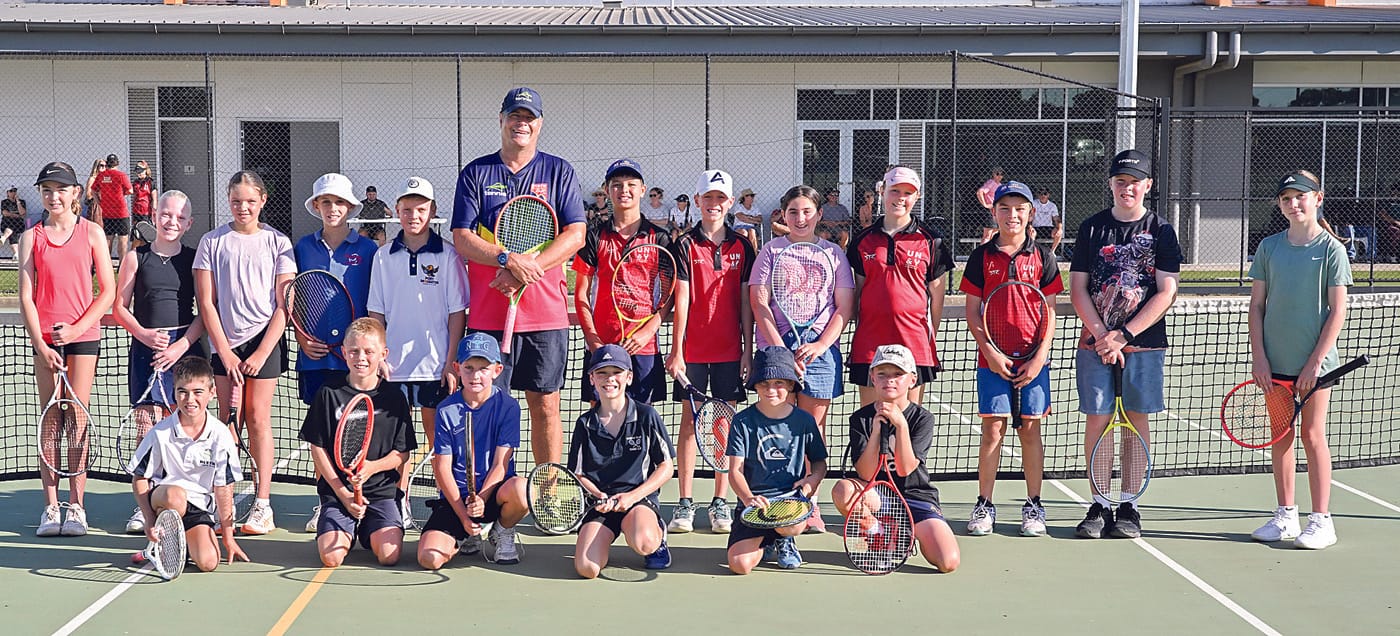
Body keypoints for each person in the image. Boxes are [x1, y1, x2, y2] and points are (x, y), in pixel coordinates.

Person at [450, 87, 587, 466]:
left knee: (545, 405)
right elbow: (462, 238)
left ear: (539, 124)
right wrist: (507, 259)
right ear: (501, 119)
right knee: (491, 407)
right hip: (488, 316)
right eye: (514, 116)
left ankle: (547, 486)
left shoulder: (559, 171)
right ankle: (499, 493)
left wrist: (526, 272)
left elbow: (575, 235)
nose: (521, 124)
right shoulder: (477, 172)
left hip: (546, 316)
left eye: (528, 117)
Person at [1069, 149, 1182, 540]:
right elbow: (1078, 288)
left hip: (1143, 346)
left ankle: (1130, 504)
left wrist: (1125, 334)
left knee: (1136, 422)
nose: (1126, 188)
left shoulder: (1163, 231)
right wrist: (1102, 335)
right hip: (1094, 345)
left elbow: (1166, 291)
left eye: (1134, 182)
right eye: (1120, 181)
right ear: (1111, 185)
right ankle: (1099, 503)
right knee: (1098, 422)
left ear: (1147, 186)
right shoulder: (1092, 228)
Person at [1247, 170, 1352, 550]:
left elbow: (1337, 311)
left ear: (1317, 198)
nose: (1293, 204)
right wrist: (1260, 358)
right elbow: (1256, 306)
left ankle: (1322, 521)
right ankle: (1285, 516)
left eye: (1300, 196)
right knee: (1281, 435)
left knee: (1311, 435)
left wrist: (1313, 364)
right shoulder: (1269, 248)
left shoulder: (1331, 250)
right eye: (1286, 198)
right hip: (1273, 365)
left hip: (1316, 368)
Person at [193, 170, 297, 535]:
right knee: (225, 422)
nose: (243, 207)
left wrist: (260, 353)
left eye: (250, 201)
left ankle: (262, 504)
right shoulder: (212, 241)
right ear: (228, 201)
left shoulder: (279, 243)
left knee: (256, 417)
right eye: (237, 201)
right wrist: (226, 352)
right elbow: (206, 303)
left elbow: (285, 305)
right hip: (225, 344)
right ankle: (226, 497)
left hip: (264, 343)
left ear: (262, 201)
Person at [959, 181, 1063, 538]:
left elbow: (1050, 313)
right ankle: (984, 504)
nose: (1012, 215)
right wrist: (989, 349)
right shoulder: (981, 257)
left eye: (1020, 208)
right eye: (1005, 208)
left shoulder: (1044, 258)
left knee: (1029, 430)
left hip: (1034, 360)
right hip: (993, 360)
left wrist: (1039, 358)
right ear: (994, 213)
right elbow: (973, 311)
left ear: (1031, 213)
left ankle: (1034, 504)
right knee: (992, 430)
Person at [19, 161, 116, 537]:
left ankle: (76, 506)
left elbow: (106, 291)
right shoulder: (32, 237)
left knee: (76, 418)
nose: (53, 195)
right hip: (45, 341)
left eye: (61, 189)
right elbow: (27, 296)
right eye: (46, 189)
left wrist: (76, 327)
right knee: (50, 420)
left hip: (83, 337)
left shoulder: (92, 233)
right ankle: (50, 507)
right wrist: (39, 344)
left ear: (76, 192)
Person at [750, 184, 854, 533]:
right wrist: (779, 351)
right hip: (776, 347)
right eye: (793, 212)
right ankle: (780, 500)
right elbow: (759, 303)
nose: (800, 218)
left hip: (819, 351)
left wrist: (821, 344)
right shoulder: (770, 252)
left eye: (807, 211)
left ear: (818, 215)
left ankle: (810, 505)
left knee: (812, 431)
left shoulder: (834, 255)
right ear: (783, 215)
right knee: (778, 430)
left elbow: (844, 307)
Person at [368, 176, 468, 523]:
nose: (414, 215)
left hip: (436, 366)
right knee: (398, 443)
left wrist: (452, 361)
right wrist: (380, 357)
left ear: (433, 212)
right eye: (407, 209)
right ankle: (400, 501)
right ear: (396, 212)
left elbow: (458, 312)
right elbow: (376, 313)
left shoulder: (449, 255)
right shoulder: (383, 257)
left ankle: (447, 501)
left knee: (439, 441)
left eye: (421, 209)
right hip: (394, 368)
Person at [111, 189, 208, 534]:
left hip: (182, 354)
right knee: (146, 427)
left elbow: (203, 313)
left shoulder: (195, 260)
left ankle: (180, 498)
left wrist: (181, 346)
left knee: (179, 428)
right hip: (145, 351)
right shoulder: (136, 258)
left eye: (180, 218)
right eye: (166, 215)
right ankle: (146, 503)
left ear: (189, 224)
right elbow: (119, 308)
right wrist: (145, 336)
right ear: (154, 216)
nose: (172, 222)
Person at [665, 169, 754, 535]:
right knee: (690, 424)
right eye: (708, 198)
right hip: (694, 350)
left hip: (731, 350)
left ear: (730, 203)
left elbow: (747, 302)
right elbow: (681, 299)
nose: (714, 204)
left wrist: (747, 349)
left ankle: (720, 501)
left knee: (724, 425)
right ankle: (685, 502)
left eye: (720, 198)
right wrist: (677, 350)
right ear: (697, 201)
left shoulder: (743, 246)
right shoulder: (684, 245)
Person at [294, 173, 379, 531]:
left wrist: (370, 349)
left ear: (350, 208)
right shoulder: (301, 247)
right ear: (316, 207)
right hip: (314, 357)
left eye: (339, 203)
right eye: (325, 202)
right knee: (323, 432)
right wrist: (300, 338)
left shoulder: (369, 250)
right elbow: (292, 299)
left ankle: (365, 501)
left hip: (354, 361)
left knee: (358, 430)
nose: (332, 209)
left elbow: (377, 305)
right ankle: (327, 500)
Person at [299, 318, 417, 567]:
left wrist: (372, 468)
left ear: (383, 354)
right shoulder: (329, 393)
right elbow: (317, 447)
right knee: (331, 558)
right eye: (353, 351)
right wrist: (343, 495)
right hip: (338, 494)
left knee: (389, 555)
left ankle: (367, 529)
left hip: (382, 493)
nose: (360, 357)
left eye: (369, 352)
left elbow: (402, 453)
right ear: (344, 352)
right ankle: (345, 527)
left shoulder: (394, 397)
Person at [831, 344, 959, 571]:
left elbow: (905, 469)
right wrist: (877, 431)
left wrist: (900, 425)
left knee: (947, 562)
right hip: (879, 495)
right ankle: (879, 533)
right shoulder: (861, 419)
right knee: (843, 490)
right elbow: (867, 474)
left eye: (898, 374)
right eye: (882, 374)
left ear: (911, 379)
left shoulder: (922, 419)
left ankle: (905, 533)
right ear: (872, 377)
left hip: (915, 496)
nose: (890, 380)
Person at [418, 333, 530, 569]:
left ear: (497, 370)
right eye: (468, 367)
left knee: (521, 489)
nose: (475, 375)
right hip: (457, 499)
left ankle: (502, 530)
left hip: (493, 494)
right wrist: (462, 514)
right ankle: (466, 535)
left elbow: (501, 464)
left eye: (483, 368)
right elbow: (442, 468)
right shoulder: (446, 410)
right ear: (457, 368)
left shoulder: (509, 407)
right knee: (429, 559)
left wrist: (481, 499)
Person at [127, 357, 250, 572]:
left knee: (208, 562)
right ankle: (164, 536)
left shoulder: (221, 435)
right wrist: (148, 519)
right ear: (174, 392)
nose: (189, 399)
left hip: (199, 507)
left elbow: (223, 489)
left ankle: (178, 540)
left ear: (212, 393)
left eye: (197, 392)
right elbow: (139, 478)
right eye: (182, 391)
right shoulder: (160, 432)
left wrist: (228, 538)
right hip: (165, 499)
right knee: (176, 496)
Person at [847, 166, 955, 408]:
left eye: (908, 193)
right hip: (869, 342)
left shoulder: (931, 241)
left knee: (909, 424)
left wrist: (930, 336)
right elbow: (858, 292)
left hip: (914, 342)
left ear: (916, 197)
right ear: (883, 192)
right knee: (869, 421)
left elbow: (936, 298)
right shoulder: (862, 241)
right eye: (895, 191)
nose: (900, 199)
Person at [569, 345, 676, 578]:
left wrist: (631, 497)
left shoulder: (647, 415)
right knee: (587, 569)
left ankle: (656, 538)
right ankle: (601, 537)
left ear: (629, 377)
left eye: (616, 372)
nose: (609, 379)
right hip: (601, 503)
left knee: (644, 542)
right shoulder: (584, 423)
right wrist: (599, 496)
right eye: (602, 373)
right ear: (592, 379)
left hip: (638, 500)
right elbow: (578, 474)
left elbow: (666, 467)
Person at [572, 159, 672, 405]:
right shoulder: (594, 236)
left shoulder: (660, 237)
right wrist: (592, 338)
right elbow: (581, 294)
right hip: (602, 343)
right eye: (616, 185)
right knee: (601, 420)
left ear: (642, 189)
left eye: (630, 184)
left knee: (641, 422)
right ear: (607, 190)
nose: (623, 190)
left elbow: (670, 294)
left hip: (643, 346)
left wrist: (649, 330)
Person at [725, 346, 828, 573]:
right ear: (756, 386)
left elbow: (820, 463)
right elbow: (735, 471)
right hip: (753, 506)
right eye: (764, 383)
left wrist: (811, 481)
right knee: (739, 565)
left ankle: (784, 539)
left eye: (779, 383)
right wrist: (748, 497)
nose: (771, 389)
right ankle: (768, 539)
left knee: (793, 527)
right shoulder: (742, 421)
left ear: (791, 385)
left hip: (790, 502)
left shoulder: (805, 421)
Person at [96, 154, 135, 261]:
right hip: (120, 212)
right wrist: (122, 193)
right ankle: (122, 263)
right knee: (123, 238)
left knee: (108, 238)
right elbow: (130, 190)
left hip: (107, 212)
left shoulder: (102, 176)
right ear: (117, 163)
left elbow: (94, 190)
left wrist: (99, 201)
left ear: (107, 163)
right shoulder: (121, 175)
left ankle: (107, 263)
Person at [976, 167, 1005, 244]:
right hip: (990, 210)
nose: (999, 176)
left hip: (996, 210)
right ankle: (983, 253)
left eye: (1002, 174)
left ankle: (991, 252)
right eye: (997, 174)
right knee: (988, 234)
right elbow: (980, 192)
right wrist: (985, 204)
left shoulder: (999, 185)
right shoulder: (991, 183)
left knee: (995, 232)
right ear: (993, 174)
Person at [1031, 187, 1063, 256]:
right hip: (1036, 226)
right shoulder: (1033, 203)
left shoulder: (1052, 206)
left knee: (1058, 232)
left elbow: (1056, 219)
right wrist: (1030, 226)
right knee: (1030, 232)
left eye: (1045, 194)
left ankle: (1052, 251)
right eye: (1040, 193)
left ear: (1048, 195)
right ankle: (1032, 251)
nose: (1043, 196)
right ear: (1038, 195)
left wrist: (1059, 228)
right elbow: (1030, 217)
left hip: (1048, 227)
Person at [130, 161, 157, 233]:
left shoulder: (150, 182)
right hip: (136, 211)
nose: (139, 173)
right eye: (137, 171)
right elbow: (133, 194)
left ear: (145, 170)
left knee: (146, 232)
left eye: (141, 171)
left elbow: (154, 198)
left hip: (146, 212)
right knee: (136, 233)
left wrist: (154, 211)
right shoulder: (136, 182)